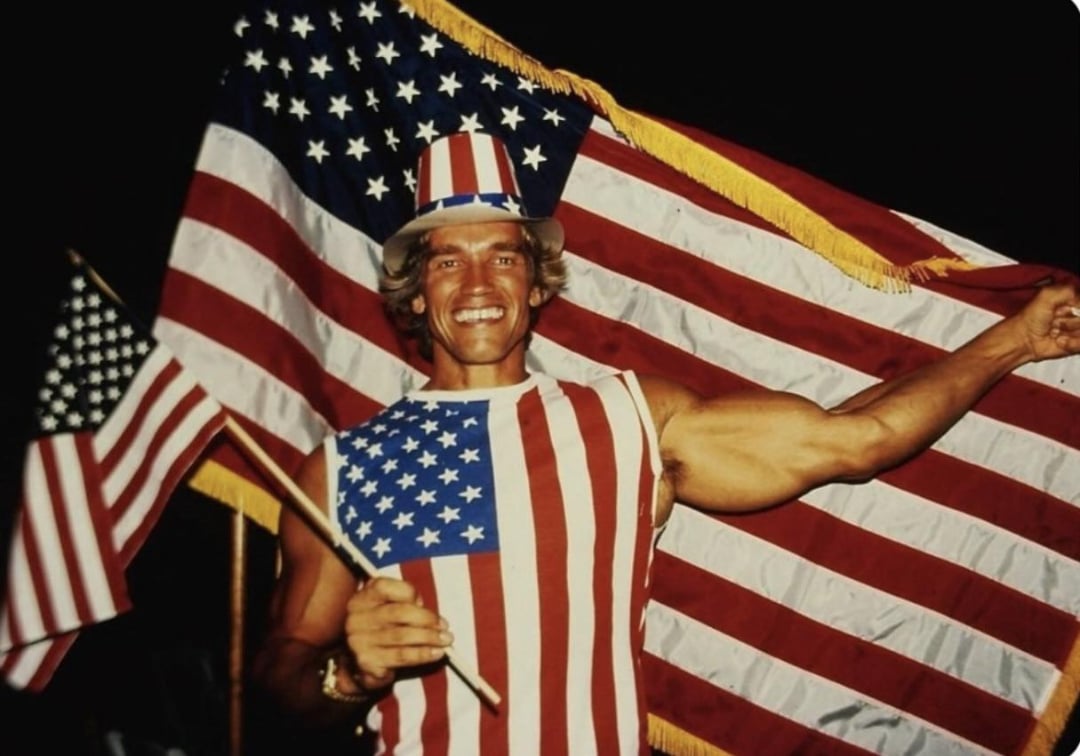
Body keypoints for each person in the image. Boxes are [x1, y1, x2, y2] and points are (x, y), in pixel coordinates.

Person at [251, 132, 1079, 754]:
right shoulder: (343, 470)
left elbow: (859, 439)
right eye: (446, 262)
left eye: (502, 257)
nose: (476, 285)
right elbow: (276, 682)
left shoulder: (627, 420)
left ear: (537, 283)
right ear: (413, 290)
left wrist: (1014, 341)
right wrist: (347, 675)